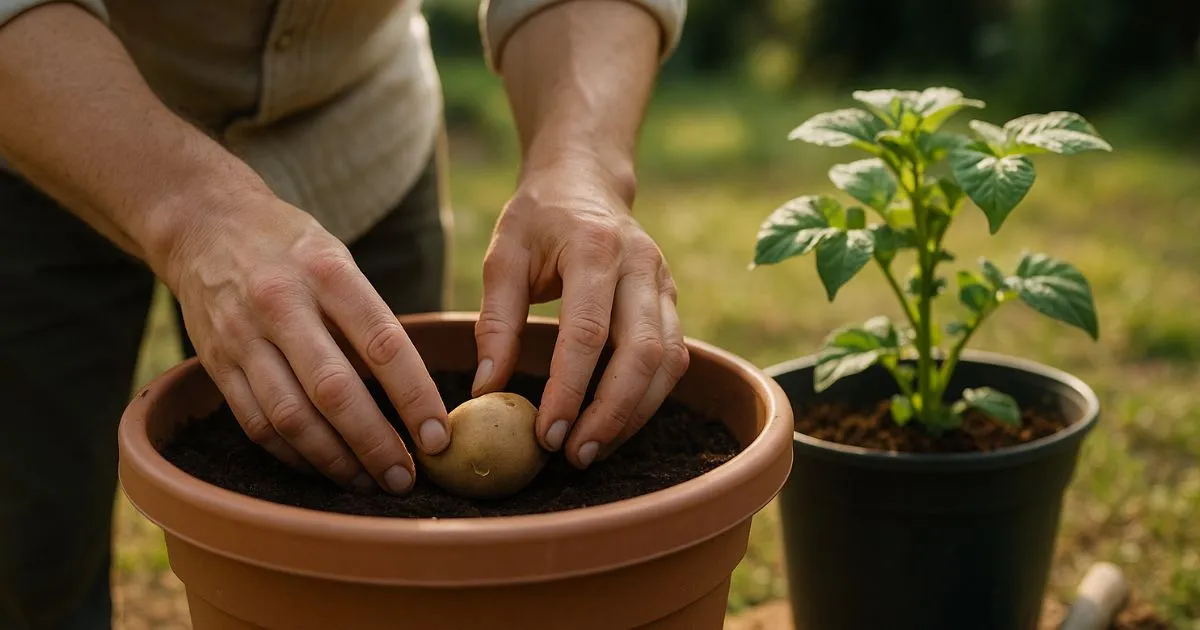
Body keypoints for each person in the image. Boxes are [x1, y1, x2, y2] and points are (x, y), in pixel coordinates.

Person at [0, 0, 690, 627]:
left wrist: (581, 164)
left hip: (353, 128)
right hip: (52, 113)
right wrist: (191, 215)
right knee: (33, 545)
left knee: (389, 576)